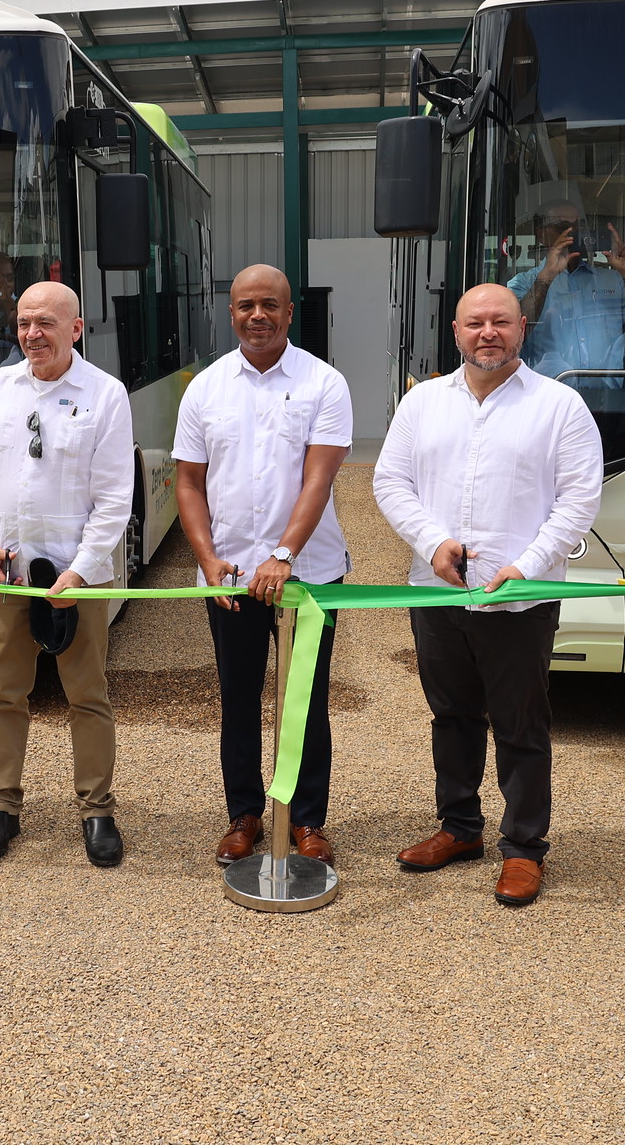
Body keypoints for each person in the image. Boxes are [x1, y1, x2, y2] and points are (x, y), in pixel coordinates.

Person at [373, 284, 604, 907]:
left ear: (522, 328)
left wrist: (525, 566)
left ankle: (525, 848)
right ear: (455, 331)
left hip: (520, 597)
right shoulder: (421, 404)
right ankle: (459, 827)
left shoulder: (560, 406)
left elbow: (579, 500)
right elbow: (390, 481)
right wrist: (431, 542)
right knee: (451, 715)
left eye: (501, 321)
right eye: (475, 323)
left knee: (521, 722)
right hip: (437, 592)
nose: (488, 333)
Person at [175, 264, 354, 868]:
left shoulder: (323, 383)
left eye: (270, 305)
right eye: (246, 305)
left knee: (304, 699)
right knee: (239, 697)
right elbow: (189, 482)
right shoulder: (205, 388)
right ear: (231, 314)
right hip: (226, 576)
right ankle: (244, 814)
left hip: (308, 575)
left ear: (288, 312)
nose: (258, 315)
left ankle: (307, 820)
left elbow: (319, 477)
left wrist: (283, 555)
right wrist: (206, 560)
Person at [0, 281, 133, 867]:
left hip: (76, 576)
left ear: (76, 329)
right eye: (24, 322)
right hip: (5, 570)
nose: (32, 334)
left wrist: (81, 572)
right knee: (5, 693)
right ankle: (0, 806)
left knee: (88, 695)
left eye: (46, 323)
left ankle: (97, 810)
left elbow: (114, 499)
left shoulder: (106, 394)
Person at [506, 199, 625, 377]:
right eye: (562, 225)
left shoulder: (611, 279)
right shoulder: (524, 283)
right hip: (549, 397)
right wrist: (546, 278)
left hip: (609, 397)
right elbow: (512, 335)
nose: (573, 231)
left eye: (579, 225)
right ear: (541, 234)